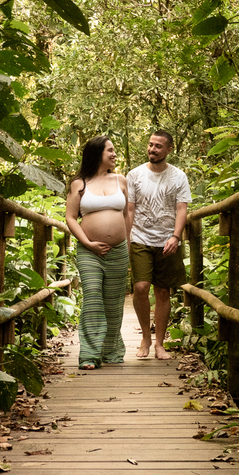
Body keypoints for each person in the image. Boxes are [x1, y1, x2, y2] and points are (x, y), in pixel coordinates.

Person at [64, 135, 132, 370]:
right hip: (89, 250)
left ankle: (111, 351)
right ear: (97, 154)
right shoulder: (79, 183)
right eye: (110, 151)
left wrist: (128, 247)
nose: (114, 154)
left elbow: (126, 217)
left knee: (113, 304)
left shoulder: (121, 181)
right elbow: (70, 218)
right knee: (93, 297)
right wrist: (88, 242)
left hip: (118, 251)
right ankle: (89, 355)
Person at [126, 130, 191, 360]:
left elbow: (182, 208)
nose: (152, 149)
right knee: (141, 287)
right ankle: (145, 337)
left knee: (163, 291)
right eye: (151, 145)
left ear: (169, 149)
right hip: (140, 238)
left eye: (158, 146)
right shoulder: (134, 175)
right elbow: (130, 209)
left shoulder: (179, 176)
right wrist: (127, 238)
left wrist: (175, 236)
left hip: (167, 240)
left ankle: (159, 344)